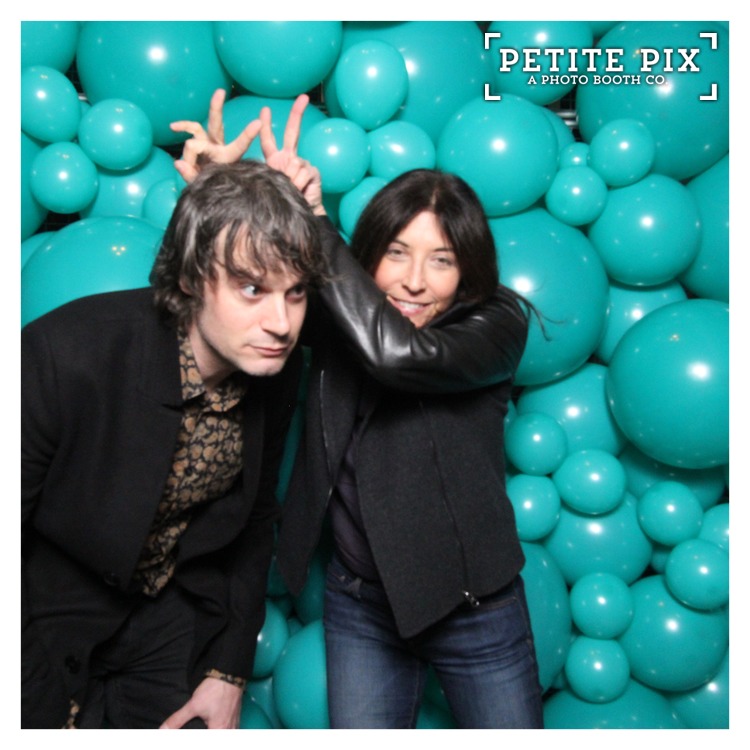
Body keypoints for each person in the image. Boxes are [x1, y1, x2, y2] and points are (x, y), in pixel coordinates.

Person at [174, 91, 544, 729]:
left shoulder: (496, 324)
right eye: (396, 252)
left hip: (474, 607)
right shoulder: (340, 314)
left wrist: (318, 219)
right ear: (368, 253)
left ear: (468, 270)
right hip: (360, 603)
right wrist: (226, 196)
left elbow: (397, 355)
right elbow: (241, 293)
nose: (414, 280)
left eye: (442, 260)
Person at [21, 157, 327, 729]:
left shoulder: (273, 367)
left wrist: (229, 668)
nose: (282, 323)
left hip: (171, 619)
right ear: (189, 277)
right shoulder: (61, 355)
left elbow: (255, 521)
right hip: (41, 616)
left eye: (296, 293)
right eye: (252, 288)